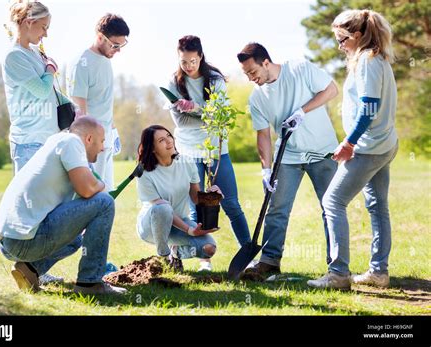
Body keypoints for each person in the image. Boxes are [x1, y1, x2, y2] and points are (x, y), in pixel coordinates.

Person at [308, 9, 399, 290]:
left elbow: (369, 108)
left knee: (332, 202)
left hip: (368, 148)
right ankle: (378, 272)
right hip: (383, 145)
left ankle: (337, 275)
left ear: (358, 35)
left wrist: (349, 142)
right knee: (377, 206)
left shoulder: (368, 61)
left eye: (342, 38)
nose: (340, 45)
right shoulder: (377, 58)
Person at [237, 43, 339, 279]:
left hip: (323, 151)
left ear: (266, 62)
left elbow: (332, 90)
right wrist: (266, 170)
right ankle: (269, 261)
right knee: (277, 208)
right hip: (289, 156)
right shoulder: (257, 98)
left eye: (253, 72)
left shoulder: (300, 69)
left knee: (331, 209)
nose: (251, 78)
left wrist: (303, 111)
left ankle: (336, 267)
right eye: (246, 75)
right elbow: (263, 135)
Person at [0, 117, 126, 295]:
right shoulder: (71, 142)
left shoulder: (57, 141)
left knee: (75, 240)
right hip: (23, 241)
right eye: (102, 141)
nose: (103, 148)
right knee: (105, 203)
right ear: (88, 139)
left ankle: (30, 269)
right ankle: (90, 284)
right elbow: (87, 190)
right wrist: (101, 185)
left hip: (10, 241)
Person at [167, 35, 251, 271]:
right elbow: (181, 123)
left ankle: (248, 255)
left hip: (216, 149)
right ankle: (205, 259)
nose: (189, 66)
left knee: (231, 203)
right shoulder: (173, 82)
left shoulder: (214, 79)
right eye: (184, 61)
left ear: (200, 56)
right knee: (196, 206)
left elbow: (220, 116)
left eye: (193, 61)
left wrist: (194, 108)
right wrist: (205, 113)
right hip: (187, 152)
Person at [2, 0, 71, 285]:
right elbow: (42, 89)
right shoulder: (13, 57)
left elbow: (53, 93)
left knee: (54, 209)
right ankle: (31, 268)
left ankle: (35, 270)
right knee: (33, 211)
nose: (45, 34)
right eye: (43, 27)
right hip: (28, 141)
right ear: (28, 22)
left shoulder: (35, 53)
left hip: (48, 140)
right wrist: (51, 69)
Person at [136, 125, 221, 272]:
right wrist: (189, 230)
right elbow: (161, 209)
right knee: (163, 207)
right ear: (153, 148)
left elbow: (196, 198)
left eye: (169, 136)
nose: (169, 141)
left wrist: (212, 197)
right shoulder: (144, 172)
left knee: (209, 249)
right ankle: (163, 255)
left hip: (178, 223)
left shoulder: (186, 162)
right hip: (151, 226)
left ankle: (175, 252)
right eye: (162, 140)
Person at [67, 13, 130, 191]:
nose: (118, 50)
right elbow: (79, 111)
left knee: (107, 192)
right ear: (100, 37)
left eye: (122, 45)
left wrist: (112, 129)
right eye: (115, 45)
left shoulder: (106, 59)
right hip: (91, 142)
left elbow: (104, 100)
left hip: (106, 137)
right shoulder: (82, 62)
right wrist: (91, 143)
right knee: (93, 194)